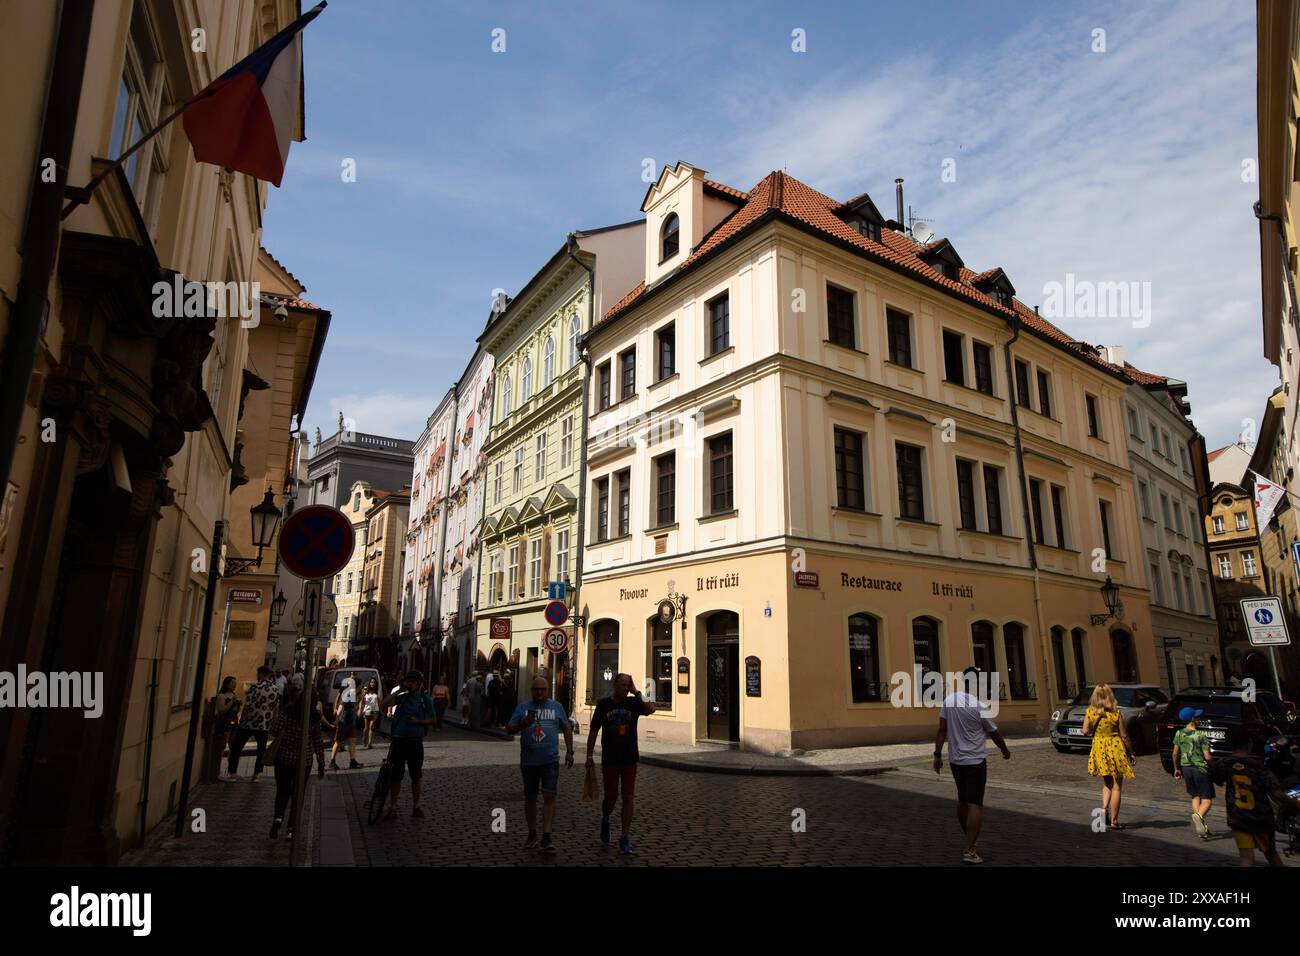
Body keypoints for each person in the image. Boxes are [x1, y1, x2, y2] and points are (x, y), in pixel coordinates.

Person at [933, 667, 1011, 864]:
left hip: (955, 760)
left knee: (962, 799)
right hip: (975, 761)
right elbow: (994, 732)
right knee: (975, 803)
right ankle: (969, 848)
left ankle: (969, 839)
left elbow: (942, 730)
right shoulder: (979, 706)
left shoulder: (949, 701)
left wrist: (937, 754)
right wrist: (1004, 750)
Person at [1210, 726, 1300, 866]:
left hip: (1238, 816)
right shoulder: (1257, 765)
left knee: (1246, 856)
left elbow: (1217, 779)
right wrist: (1295, 804)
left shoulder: (1225, 763)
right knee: (1271, 853)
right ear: (1250, 744)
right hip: (1261, 817)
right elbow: (1276, 792)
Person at [587, 673, 655, 855]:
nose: (626, 688)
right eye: (623, 685)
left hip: (630, 758)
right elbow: (593, 731)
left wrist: (637, 691)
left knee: (628, 797)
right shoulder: (603, 705)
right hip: (610, 758)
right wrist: (589, 756)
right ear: (615, 684)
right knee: (611, 797)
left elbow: (651, 708)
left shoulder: (633, 703)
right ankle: (606, 819)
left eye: (628, 685)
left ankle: (624, 837)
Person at [507, 676, 574, 852]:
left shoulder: (556, 707)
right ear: (532, 691)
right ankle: (532, 832)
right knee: (530, 797)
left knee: (549, 797)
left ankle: (546, 835)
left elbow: (567, 728)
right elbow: (509, 728)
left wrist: (570, 751)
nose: (539, 693)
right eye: (536, 689)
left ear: (547, 690)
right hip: (529, 761)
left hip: (550, 760)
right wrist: (522, 724)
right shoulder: (523, 707)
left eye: (543, 689)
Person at [267, 674, 326, 840]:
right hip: (304, 761)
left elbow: (274, 730)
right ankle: (291, 829)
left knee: (282, 790)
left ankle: (278, 818)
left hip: (284, 758)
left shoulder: (288, 712)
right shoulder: (313, 718)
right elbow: (318, 742)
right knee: (297, 794)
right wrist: (321, 764)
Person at [379, 670, 436, 819]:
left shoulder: (425, 699)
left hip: (415, 742)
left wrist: (418, 722)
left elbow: (432, 719)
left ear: (419, 684)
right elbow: (383, 705)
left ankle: (416, 806)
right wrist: (398, 692)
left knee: (416, 775)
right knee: (396, 776)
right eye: (408, 681)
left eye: (412, 681)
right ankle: (393, 807)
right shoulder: (402, 698)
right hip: (398, 740)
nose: (409, 684)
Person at [1082, 682, 1135, 830]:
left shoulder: (1090, 712)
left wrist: (1094, 728)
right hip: (1115, 747)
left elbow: (1085, 731)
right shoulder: (1116, 714)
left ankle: (1104, 809)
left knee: (1107, 783)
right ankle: (1114, 821)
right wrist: (1131, 752)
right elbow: (1124, 736)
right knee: (1117, 787)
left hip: (1099, 747)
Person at [226, 666, 279, 780]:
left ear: (260, 674)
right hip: (264, 724)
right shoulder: (275, 689)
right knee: (261, 750)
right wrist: (273, 720)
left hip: (249, 722)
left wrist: (242, 719)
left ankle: (232, 773)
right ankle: (257, 774)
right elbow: (275, 707)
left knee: (237, 747)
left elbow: (247, 704)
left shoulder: (254, 687)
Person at [1171, 706, 1215, 839]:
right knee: (1207, 799)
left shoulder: (1179, 733)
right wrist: (1214, 765)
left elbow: (1175, 753)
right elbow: (1207, 757)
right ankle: (1198, 817)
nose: (1200, 719)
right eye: (1197, 717)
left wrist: (1176, 768)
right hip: (1200, 768)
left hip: (1186, 769)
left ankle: (1200, 826)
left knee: (1195, 796)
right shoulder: (1201, 735)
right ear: (1192, 719)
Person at [211, 676, 241, 781]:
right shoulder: (221, 696)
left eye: (235, 683)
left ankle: (231, 771)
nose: (234, 685)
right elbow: (222, 710)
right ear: (226, 684)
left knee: (234, 747)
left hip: (234, 723)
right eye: (232, 682)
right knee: (222, 746)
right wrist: (232, 702)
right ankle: (217, 771)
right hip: (224, 724)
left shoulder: (234, 695)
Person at [328, 688, 364, 771]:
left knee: (352, 741)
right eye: (360, 688)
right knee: (338, 741)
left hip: (351, 724)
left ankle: (352, 761)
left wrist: (361, 701)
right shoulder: (349, 696)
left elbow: (359, 714)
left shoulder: (357, 699)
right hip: (343, 723)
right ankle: (332, 761)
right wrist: (337, 720)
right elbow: (340, 707)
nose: (362, 690)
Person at [361, 678, 381, 749]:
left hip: (375, 711)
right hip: (367, 710)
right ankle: (364, 738)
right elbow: (362, 702)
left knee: (371, 727)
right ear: (369, 683)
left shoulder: (377, 692)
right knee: (366, 728)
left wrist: (380, 710)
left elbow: (379, 702)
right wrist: (363, 694)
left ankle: (370, 743)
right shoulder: (366, 692)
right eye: (371, 682)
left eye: (374, 682)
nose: (372, 683)